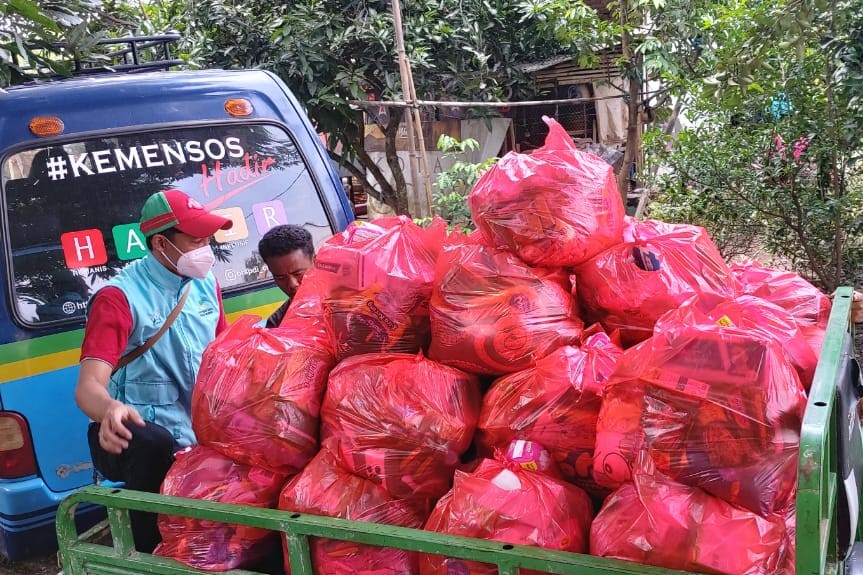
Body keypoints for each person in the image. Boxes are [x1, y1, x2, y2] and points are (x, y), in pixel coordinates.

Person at [74, 189, 232, 552]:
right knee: (152, 442)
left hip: (200, 432)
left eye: (208, 239)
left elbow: (227, 358)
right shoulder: (118, 298)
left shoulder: (205, 285)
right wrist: (110, 409)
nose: (205, 249)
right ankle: (146, 550)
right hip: (135, 444)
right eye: (196, 240)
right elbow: (87, 388)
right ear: (161, 243)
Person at [258, 224, 315, 328]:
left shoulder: (344, 303)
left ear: (315, 261)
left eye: (298, 273)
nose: (292, 284)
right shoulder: (276, 325)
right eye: (280, 278)